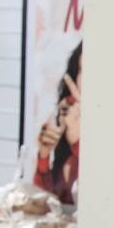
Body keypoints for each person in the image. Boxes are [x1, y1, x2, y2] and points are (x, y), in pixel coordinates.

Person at [33, 42, 82, 205]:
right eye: (81, 70)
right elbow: (43, 204)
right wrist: (44, 156)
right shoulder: (65, 126)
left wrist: (77, 142)